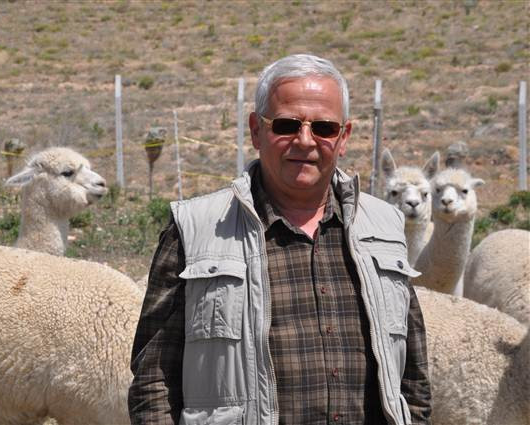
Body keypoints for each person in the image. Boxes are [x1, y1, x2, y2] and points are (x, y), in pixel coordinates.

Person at [129, 53, 431, 425]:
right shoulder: (197, 230)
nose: (305, 140)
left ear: (344, 137)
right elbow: (153, 381)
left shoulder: (384, 228)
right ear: (256, 130)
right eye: (287, 125)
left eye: (324, 128)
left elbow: (413, 377)